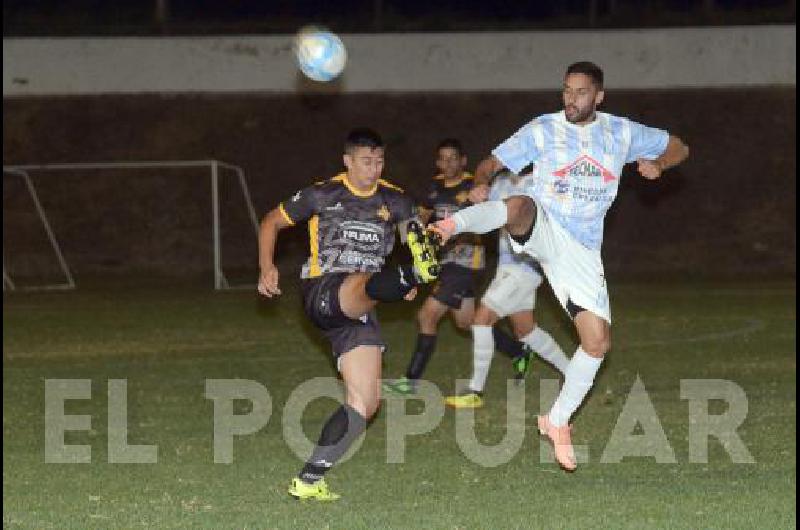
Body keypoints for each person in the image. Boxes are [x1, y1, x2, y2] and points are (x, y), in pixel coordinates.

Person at [431, 61, 689, 471]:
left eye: (581, 92)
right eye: (566, 91)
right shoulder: (543, 128)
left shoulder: (621, 132)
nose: (571, 99)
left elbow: (678, 146)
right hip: (545, 225)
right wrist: (480, 181)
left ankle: (556, 421)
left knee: (597, 343)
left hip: (582, 251)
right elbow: (490, 163)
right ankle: (446, 228)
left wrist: (660, 164)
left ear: (599, 96)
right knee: (519, 206)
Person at [257, 128, 440, 501]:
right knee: (369, 281)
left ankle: (309, 479)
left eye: (380, 161)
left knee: (366, 403)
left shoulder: (396, 199)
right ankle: (402, 277)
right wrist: (266, 266)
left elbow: (412, 239)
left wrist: (414, 264)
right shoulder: (322, 193)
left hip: (361, 305)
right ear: (348, 161)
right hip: (323, 290)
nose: (374, 169)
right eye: (366, 162)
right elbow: (270, 222)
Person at [383, 139, 529, 396]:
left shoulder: (477, 186)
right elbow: (421, 219)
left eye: (453, 158)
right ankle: (518, 351)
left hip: (466, 262)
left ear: (463, 160)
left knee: (427, 316)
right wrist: (404, 226)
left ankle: (411, 381)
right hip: (444, 262)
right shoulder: (434, 187)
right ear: (437, 162)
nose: (448, 163)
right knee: (467, 322)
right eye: (443, 158)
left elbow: (496, 215)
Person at [444, 168, 570, 409]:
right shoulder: (500, 182)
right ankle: (571, 373)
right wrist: (475, 195)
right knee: (526, 331)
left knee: (481, 320)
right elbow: (486, 210)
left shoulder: (544, 181)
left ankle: (475, 391)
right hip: (507, 267)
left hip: (525, 266)